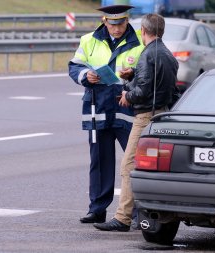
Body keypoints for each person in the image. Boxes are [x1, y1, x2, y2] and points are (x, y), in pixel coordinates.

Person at [94, 13, 179, 232]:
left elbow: (144, 90)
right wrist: (133, 74)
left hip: (145, 117)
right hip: (162, 114)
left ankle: (123, 218)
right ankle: (146, 213)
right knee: (151, 168)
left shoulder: (147, 54)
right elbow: (161, 86)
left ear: (143, 30)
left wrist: (127, 95)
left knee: (129, 165)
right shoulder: (167, 54)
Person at [68, 5, 145, 224]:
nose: (117, 29)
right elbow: (75, 66)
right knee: (99, 161)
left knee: (134, 162)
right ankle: (97, 208)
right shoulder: (88, 40)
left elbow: (150, 69)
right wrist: (86, 75)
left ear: (127, 21)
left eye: (121, 24)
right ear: (104, 21)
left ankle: (140, 212)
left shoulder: (140, 40)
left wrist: (133, 74)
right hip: (98, 107)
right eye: (112, 25)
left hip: (127, 108)